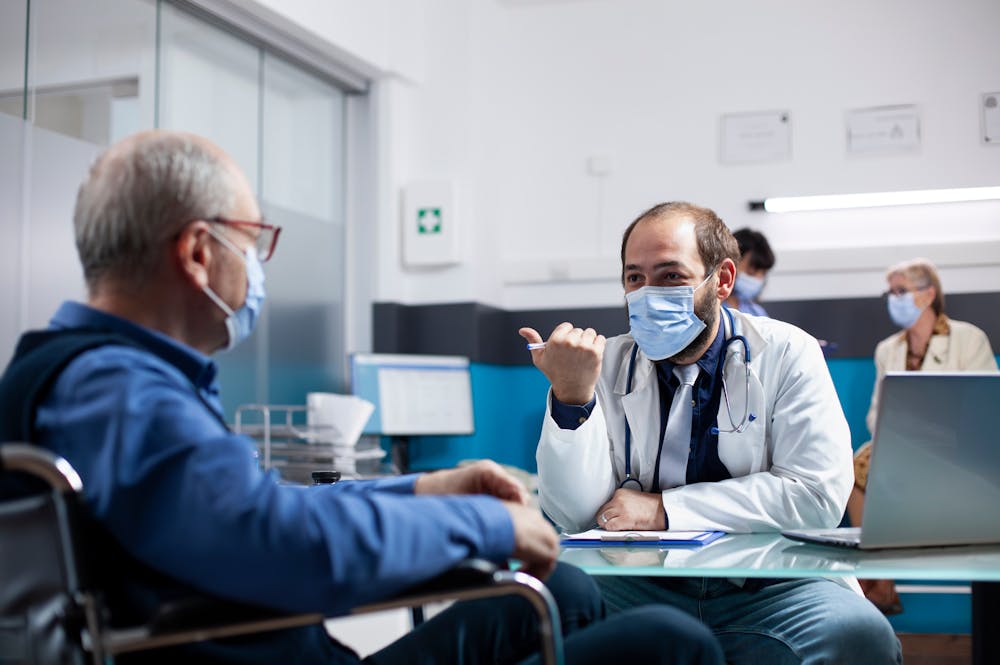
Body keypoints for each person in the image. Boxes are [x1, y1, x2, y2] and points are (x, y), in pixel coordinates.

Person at [0, 132, 725, 665]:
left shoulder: (93, 375)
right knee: (672, 641)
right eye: (252, 241)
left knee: (562, 589)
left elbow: (256, 511)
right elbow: (280, 544)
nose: (257, 267)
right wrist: (484, 527)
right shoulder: (119, 392)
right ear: (196, 252)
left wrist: (428, 489)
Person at [519, 201, 901, 665]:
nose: (646, 294)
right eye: (634, 278)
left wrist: (666, 510)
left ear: (721, 280)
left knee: (861, 636)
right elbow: (574, 514)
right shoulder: (602, 364)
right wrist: (572, 397)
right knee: (538, 611)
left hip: (771, 586)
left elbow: (816, 494)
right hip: (638, 587)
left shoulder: (787, 352)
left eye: (670, 276)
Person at [847, 257, 998, 614]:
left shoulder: (968, 338)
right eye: (891, 292)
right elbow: (875, 412)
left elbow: (986, 406)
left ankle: (880, 582)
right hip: (902, 446)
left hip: (957, 448)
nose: (893, 299)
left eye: (902, 291)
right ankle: (879, 581)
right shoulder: (889, 349)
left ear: (928, 294)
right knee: (852, 469)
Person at [724, 227, 774, 317]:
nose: (757, 280)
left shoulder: (757, 313)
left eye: (763, 274)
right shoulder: (711, 310)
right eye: (751, 272)